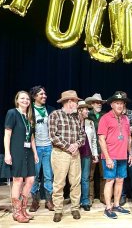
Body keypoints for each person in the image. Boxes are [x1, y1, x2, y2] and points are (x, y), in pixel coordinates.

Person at [49, 90, 86, 223]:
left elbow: (83, 135)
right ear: (69, 102)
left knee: (75, 182)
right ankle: (58, 210)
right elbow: (53, 136)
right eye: (76, 101)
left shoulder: (78, 117)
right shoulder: (55, 115)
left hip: (75, 154)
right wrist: (68, 146)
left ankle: (75, 207)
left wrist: (76, 144)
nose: (77, 103)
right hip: (60, 154)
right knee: (59, 183)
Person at [4, 90, 38, 223]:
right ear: (17, 100)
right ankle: (16, 212)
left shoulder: (29, 115)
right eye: (22, 98)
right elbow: (7, 134)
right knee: (18, 180)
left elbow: (32, 137)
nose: (25, 101)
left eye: (28, 99)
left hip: (28, 151)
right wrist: (7, 153)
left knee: (30, 180)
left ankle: (24, 209)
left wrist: (35, 153)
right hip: (16, 150)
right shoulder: (12, 113)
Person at [98, 91, 132, 219]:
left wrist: (130, 153)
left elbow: (128, 137)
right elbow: (101, 140)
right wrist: (107, 157)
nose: (119, 105)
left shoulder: (126, 118)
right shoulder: (105, 118)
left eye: (121, 103)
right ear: (112, 104)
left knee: (120, 180)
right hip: (110, 156)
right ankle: (108, 207)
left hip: (123, 155)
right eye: (117, 103)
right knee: (110, 180)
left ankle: (117, 204)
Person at [29, 85, 56, 213]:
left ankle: (49, 200)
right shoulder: (29, 110)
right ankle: (35, 200)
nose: (44, 96)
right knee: (34, 176)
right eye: (41, 94)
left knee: (48, 175)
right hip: (35, 148)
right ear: (34, 96)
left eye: (45, 94)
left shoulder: (50, 110)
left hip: (48, 147)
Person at [85, 93, 107, 205]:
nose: (99, 104)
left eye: (100, 103)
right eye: (97, 102)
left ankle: (104, 197)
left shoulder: (105, 115)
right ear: (92, 104)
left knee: (104, 175)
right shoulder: (87, 115)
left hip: (103, 149)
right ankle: (90, 197)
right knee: (90, 175)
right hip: (90, 150)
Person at [77, 100, 99, 211]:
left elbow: (94, 139)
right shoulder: (73, 121)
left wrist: (95, 154)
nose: (87, 111)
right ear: (79, 110)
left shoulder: (90, 123)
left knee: (85, 178)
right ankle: (75, 201)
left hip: (87, 153)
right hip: (75, 154)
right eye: (85, 109)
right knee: (75, 179)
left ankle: (85, 201)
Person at [121, 93, 132, 205]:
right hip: (118, 147)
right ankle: (121, 196)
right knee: (121, 173)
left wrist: (125, 130)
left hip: (131, 146)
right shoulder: (112, 115)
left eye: (122, 101)